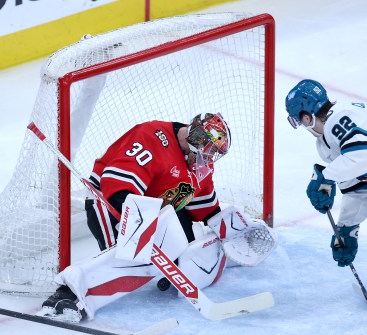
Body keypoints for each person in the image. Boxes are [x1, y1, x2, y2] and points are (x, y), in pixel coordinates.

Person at [37, 113, 276, 322]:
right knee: (129, 257)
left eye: (214, 154)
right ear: (195, 139)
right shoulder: (152, 137)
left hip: (157, 209)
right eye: (208, 151)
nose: (209, 159)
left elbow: (204, 208)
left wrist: (232, 230)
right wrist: (140, 226)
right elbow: (116, 183)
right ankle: (66, 296)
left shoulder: (200, 163)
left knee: (185, 247)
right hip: (110, 202)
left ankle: (164, 272)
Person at [285, 79, 367, 271]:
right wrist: (347, 228)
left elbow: (365, 156)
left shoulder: (339, 118)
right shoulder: (329, 140)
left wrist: (326, 176)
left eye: (296, 120)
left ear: (307, 117)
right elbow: (362, 186)